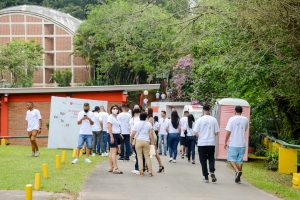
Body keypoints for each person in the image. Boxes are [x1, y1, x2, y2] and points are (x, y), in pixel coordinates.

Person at [193, 105, 219, 183]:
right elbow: (217, 132)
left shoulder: (199, 120)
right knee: (211, 158)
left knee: (203, 160)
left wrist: (200, 135)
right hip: (211, 143)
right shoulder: (214, 120)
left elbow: (195, 132)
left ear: (203, 110)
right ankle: (212, 171)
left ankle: (206, 177)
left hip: (202, 143)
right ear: (210, 110)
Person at [224, 105, 249, 184]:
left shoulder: (231, 119)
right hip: (242, 143)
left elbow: (228, 131)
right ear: (242, 111)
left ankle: (237, 171)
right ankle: (238, 178)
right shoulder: (245, 119)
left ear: (235, 111)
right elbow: (245, 130)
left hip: (233, 143)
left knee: (231, 159)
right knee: (240, 160)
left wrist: (225, 141)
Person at [132, 112, 154, 177]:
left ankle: (141, 172)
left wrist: (131, 139)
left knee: (139, 157)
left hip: (138, 141)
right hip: (146, 141)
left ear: (139, 117)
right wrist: (152, 143)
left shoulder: (136, 124)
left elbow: (133, 133)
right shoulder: (149, 124)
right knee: (147, 157)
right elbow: (151, 134)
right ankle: (150, 171)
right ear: (146, 117)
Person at [146, 107, 164, 173]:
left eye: (147, 110)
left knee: (153, 152)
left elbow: (149, 129)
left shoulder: (150, 118)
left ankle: (158, 165)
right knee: (151, 152)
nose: (145, 110)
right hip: (148, 135)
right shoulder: (147, 118)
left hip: (151, 135)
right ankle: (159, 166)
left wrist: (151, 140)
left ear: (149, 111)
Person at [107, 105, 123, 174]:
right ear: (111, 110)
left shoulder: (116, 117)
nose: (115, 110)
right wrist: (111, 136)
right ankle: (115, 168)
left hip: (116, 135)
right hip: (112, 135)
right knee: (114, 152)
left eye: (116, 108)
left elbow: (118, 126)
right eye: (113, 108)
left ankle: (111, 167)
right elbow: (109, 127)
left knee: (111, 152)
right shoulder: (110, 117)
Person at [130, 107, 145, 175]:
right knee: (142, 154)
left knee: (138, 154)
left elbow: (131, 130)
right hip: (144, 138)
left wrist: (131, 139)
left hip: (135, 138)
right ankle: (143, 167)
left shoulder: (132, 120)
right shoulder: (141, 119)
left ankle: (137, 168)